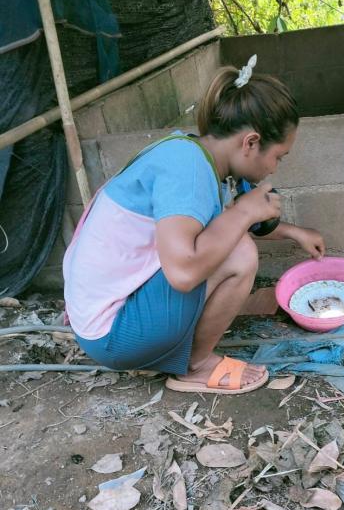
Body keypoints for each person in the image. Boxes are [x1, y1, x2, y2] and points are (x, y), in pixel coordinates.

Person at [63, 56, 325, 394]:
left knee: (229, 239)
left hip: (100, 314)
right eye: (278, 156)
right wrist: (244, 212)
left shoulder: (193, 154)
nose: (275, 168)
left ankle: (169, 347)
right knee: (240, 253)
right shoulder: (187, 171)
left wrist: (292, 232)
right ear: (250, 142)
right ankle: (196, 366)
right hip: (112, 334)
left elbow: (214, 231)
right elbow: (184, 274)